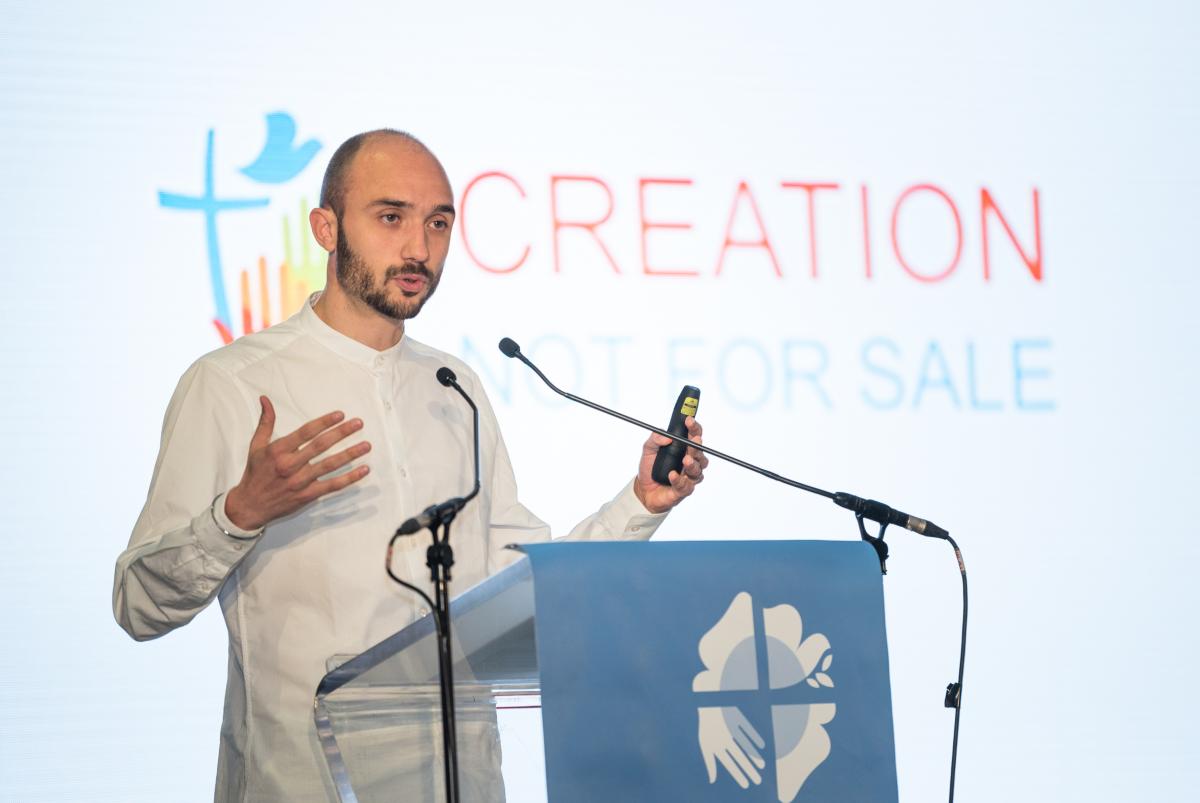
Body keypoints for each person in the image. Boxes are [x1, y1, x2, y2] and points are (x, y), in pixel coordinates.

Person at [112, 129, 707, 803]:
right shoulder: (232, 384)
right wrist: (238, 515)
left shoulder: (455, 386)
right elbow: (137, 604)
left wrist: (638, 504)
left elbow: (521, 585)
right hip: (305, 783)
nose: (419, 249)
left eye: (438, 223)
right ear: (325, 227)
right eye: (391, 217)